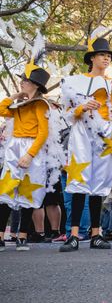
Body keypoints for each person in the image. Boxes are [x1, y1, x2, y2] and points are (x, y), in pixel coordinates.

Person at [59, 28, 112, 252]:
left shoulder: (110, 83)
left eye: (109, 55)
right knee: (78, 182)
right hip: (82, 133)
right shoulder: (74, 81)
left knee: (100, 184)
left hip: (105, 134)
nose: (107, 58)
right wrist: (81, 107)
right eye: (102, 54)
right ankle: (74, 235)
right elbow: (66, 113)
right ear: (92, 58)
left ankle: (96, 234)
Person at [0, 34, 52, 251]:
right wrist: (14, 96)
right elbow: (2, 109)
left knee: (29, 192)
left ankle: (22, 235)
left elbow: (43, 133)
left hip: (33, 149)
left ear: (34, 84)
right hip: (14, 146)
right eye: (22, 80)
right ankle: (1, 235)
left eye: (25, 80)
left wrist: (30, 154)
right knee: (6, 190)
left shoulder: (41, 105)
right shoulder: (19, 103)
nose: (22, 82)